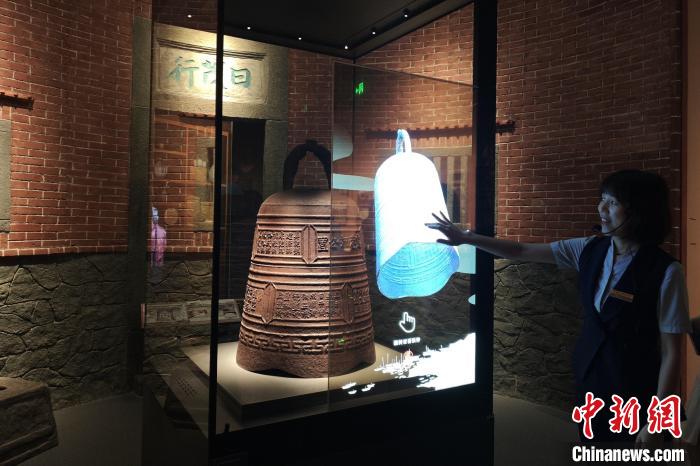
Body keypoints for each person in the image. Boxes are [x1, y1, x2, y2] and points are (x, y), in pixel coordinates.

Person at [427, 169, 690, 444]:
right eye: (602, 199)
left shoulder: (667, 271)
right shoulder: (589, 249)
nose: (601, 208)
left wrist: (657, 420)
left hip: (638, 394)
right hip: (592, 385)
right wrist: (467, 238)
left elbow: (672, 352)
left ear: (639, 211)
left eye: (612, 202)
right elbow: (521, 250)